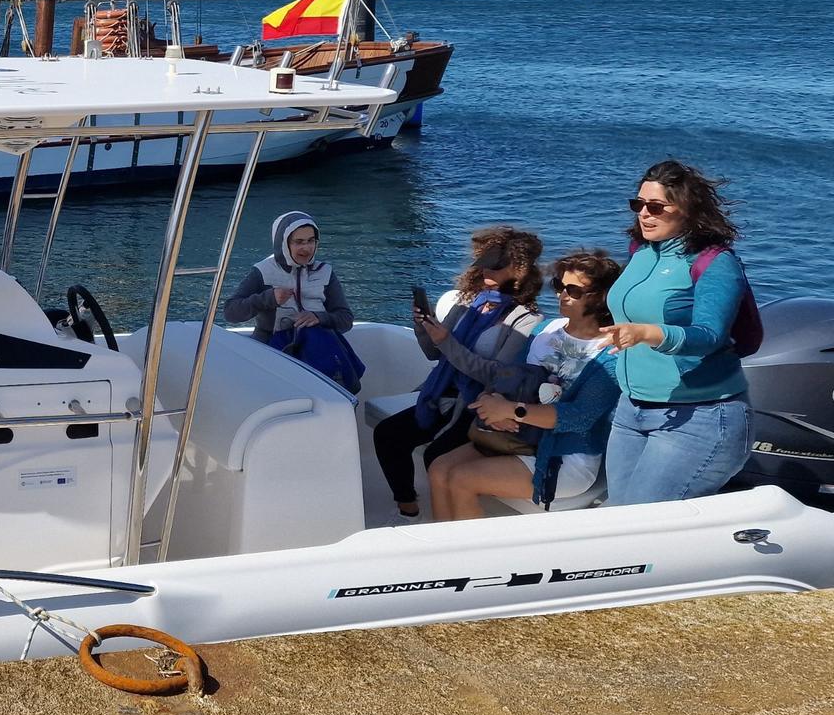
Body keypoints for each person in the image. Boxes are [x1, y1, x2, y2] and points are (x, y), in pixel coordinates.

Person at [599, 160, 756, 505]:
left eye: (655, 207)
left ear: (687, 210)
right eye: (637, 204)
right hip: (631, 409)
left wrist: (649, 333)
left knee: (641, 528)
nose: (644, 214)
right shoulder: (642, 252)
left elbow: (709, 335)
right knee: (613, 521)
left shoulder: (715, 262)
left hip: (698, 417)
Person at [429, 250, 623, 520]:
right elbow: (508, 375)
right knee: (439, 469)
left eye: (573, 290)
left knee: (462, 478)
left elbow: (579, 418)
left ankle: (472, 561)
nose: (561, 295)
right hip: (518, 438)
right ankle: (443, 554)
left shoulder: (611, 354)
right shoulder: (543, 330)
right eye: (558, 286)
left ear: (601, 297)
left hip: (564, 456)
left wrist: (512, 411)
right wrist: (492, 406)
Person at [374, 226, 545, 517]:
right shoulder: (469, 303)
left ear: (519, 271)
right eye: (483, 266)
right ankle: (408, 505)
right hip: (441, 394)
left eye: (495, 267)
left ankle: (456, 522)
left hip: (479, 404)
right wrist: (423, 326)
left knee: (435, 455)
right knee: (387, 435)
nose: (486, 274)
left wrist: (447, 342)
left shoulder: (526, 319)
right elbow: (433, 352)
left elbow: (496, 375)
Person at [220, 211, 362, 390]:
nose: (307, 248)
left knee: (337, 385)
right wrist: (268, 298)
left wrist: (319, 318)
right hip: (271, 347)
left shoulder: (325, 272)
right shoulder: (262, 272)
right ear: (283, 243)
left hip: (318, 347)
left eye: (311, 241)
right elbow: (230, 312)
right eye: (299, 242)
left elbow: (345, 319)